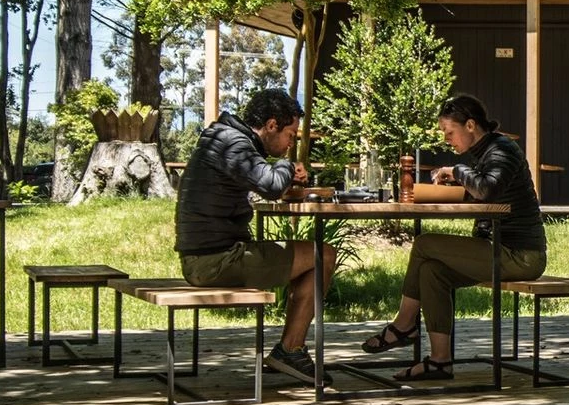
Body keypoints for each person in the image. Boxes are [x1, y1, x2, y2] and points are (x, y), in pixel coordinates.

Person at [362, 93, 546, 381]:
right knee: (432, 271)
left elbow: (487, 190)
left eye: (450, 132)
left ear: (470, 125)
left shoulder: (502, 149)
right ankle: (439, 362)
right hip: (496, 249)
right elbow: (481, 194)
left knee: (424, 244)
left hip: (522, 256)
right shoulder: (484, 154)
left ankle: (404, 324)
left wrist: (457, 171)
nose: (447, 140)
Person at [177, 86, 337, 379]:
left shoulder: (223, 137)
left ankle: (290, 348)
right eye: (290, 135)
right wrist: (289, 166)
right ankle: (290, 350)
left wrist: (281, 172)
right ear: (272, 125)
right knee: (323, 255)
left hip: (205, 256)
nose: (290, 143)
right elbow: (272, 186)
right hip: (216, 261)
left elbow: (264, 182)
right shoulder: (234, 144)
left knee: (311, 256)